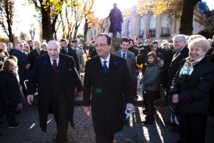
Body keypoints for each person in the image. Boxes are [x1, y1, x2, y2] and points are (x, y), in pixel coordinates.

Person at [27, 40, 83, 143]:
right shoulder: (39, 61)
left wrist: (80, 89)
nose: (53, 52)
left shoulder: (68, 59)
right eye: (50, 49)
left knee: (63, 119)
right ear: (46, 49)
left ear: (59, 49)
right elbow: (33, 78)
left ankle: (62, 139)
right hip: (48, 98)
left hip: (64, 98)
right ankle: (60, 133)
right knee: (58, 117)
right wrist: (30, 92)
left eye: (55, 49)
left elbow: (75, 76)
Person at [83, 33, 135, 143]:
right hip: (98, 107)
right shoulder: (90, 64)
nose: (98, 48)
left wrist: (130, 102)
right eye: (96, 45)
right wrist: (86, 103)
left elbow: (127, 84)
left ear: (109, 46)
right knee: (100, 135)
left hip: (115, 106)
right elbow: (87, 85)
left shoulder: (121, 62)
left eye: (102, 45)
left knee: (110, 133)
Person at [170, 38, 214, 143]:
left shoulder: (209, 68)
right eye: (191, 49)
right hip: (183, 108)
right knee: (184, 136)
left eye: (197, 50)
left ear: (204, 51)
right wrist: (174, 92)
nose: (193, 52)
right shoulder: (185, 62)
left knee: (196, 137)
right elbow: (175, 79)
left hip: (197, 109)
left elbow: (201, 91)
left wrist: (179, 97)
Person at [166, 34, 189, 130]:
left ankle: (179, 125)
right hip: (173, 82)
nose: (175, 43)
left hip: (180, 84)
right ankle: (173, 121)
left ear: (185, 42)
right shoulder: (176, 52)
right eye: (174, 41)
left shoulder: (187, 53)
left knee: (178, 105)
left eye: (178, 41)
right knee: (173, 104)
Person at [0, 59, 22, 128]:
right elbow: (3, 88)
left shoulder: (11, 73)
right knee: (9, 111)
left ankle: (13, 122)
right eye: (12, 66)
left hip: (13, 95)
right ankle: (11, 124)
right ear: (8, 66)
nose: (13, 67)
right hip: (9, 97)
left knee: (12, 109)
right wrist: (6, 98)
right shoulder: (3, 75)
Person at [141, 51, 161, 124]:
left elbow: (153, 78)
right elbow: (145, 75)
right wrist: (142, 80)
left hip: (152, 89)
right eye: (149, 58)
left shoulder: (156, 67)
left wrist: (144, 82)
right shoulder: (148, 66)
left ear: (155, 58)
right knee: (147, 103)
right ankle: (148, 117)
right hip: (146, 88)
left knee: (150, 104)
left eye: (151, 58)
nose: (150, 59)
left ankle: (150, 119)